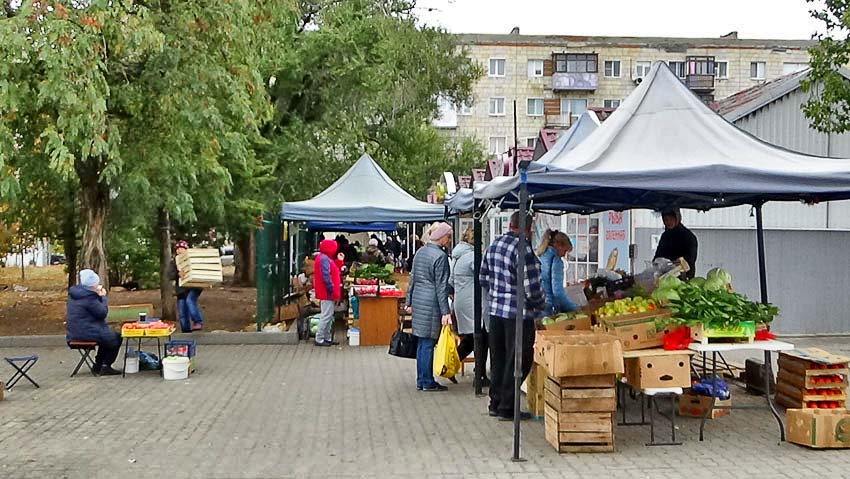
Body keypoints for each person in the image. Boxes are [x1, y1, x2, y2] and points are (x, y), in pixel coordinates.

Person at [480, 212, 545, 420]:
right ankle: (507, 407)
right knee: (518, 360)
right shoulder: (523, 249)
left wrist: (497, 293)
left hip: (496, 311)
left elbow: (483, 276)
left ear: (510, 224)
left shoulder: (495, 244)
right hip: (518, 314)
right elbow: (531, 287)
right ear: (529, 228)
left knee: (498, 358)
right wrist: (540, 304)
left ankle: (495, 402)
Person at [406, 221, 453, 392]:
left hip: (419, 299)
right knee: (428, 342)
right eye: (448, 237)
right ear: (441, 238)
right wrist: (445, 311)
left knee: (421, 341)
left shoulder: (420, 252)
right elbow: (441, 286)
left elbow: (413, 278)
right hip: (431, 302)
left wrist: (408, 301)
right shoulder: (440, 257)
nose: (448, 240)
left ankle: (421, 379)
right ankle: (427, 381)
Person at [450, 227, 489, 386]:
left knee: (471, 339)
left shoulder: (458, 256)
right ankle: (479, 377)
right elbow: (484, 277)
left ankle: (451, 366)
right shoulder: (473, 256)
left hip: (461, 301)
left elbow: (451, 281)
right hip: (474, 303)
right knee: (481, 338)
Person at [66, 269, 122, 376]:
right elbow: (102, 313)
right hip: (87, 332)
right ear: (91, 286)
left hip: (74, 332)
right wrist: (102, 297)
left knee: (107, 337)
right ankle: (105, 365)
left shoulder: (75, 295)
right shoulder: (89, 298)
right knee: (115, 337)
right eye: (96, 284)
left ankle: (98, 365)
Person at [536, 230, 578, 316]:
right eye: (565, 250)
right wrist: (574, 308)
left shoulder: (539, 256)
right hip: (548, 307)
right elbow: (557, 292)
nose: (564, 255)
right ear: (557, 245)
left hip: (534, 306)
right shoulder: (556, 261)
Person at [169, 240, 204, 332]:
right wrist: (178, 273)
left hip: (194, 287)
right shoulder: (174, 262)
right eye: (178, 249)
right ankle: (186, 333)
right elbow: (170, 275)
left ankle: (198, 321)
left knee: (190, 301)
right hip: (181, 290)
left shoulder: (193, 259)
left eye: (182, 248)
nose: (180, 251)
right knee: (182, 314)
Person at [654, 209, 698, 279]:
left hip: (684, 277)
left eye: (671, 219)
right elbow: (658, 255)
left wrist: (679, 262)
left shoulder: (688, 237)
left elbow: (691, 258)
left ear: (677, 218)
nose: (668, 222)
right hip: (665, 277)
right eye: (665, 219)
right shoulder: (665, 236)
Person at [314, 239, 342, 347]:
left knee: (328, 316)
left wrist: (339, 261)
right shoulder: (324, 259)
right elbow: (326, 276)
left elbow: (333, 271)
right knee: (326, 315)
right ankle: (319, 338)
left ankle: (326, 337)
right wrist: (331, 289)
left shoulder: (324, 258)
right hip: (327, 293)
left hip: (327, 292)